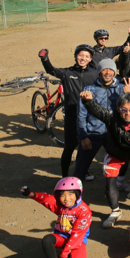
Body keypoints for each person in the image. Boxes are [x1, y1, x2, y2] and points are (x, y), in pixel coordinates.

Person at [80, 91, 130, 228]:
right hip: (115, 153)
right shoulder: (113, 118)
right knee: (110, 183)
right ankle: (115, 211)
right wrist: (88, 101)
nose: (128, 113)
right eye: (124, 110)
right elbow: (98, 111)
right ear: (118, 109)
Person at [38, 44, 98, 178]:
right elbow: (51, 70)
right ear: (76, 56)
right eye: (80, 55)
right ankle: (64, 176)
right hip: (72, 116)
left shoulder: (94, 74)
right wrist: (45, 59)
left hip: (89, 117)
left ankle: (84, 171)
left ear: (90, 59)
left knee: (86, 148)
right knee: (69, 147)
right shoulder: (67, 73)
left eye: (86, 56)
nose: (83, 58)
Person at [20, 177, 91, 258]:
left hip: (78, 242)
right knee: (47, 240)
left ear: (78, 194)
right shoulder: (61, 206)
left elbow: (77, 236)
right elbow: (47, 199)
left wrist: (63, 255)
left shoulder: (84, 211)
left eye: (71, 194)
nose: (66, 199)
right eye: (62, 195)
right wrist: (31, 194)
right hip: (61, 238)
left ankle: (60, 257)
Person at [75, 59, 123, 181]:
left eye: (111, 70)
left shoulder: (122, 89)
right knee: (81, 167)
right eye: (104, 69)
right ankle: (74, 194)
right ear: (99, 72)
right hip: (93, 133)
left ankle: (117, 186)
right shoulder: (89, 90)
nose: (108, 72)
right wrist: (83, 137)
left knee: (118, 164)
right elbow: (81, 115)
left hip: (113, 134)